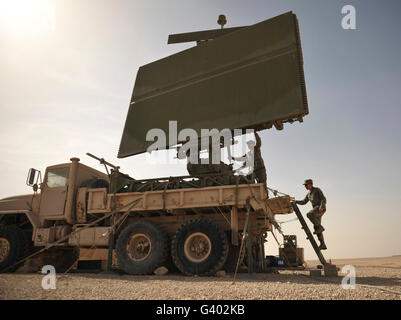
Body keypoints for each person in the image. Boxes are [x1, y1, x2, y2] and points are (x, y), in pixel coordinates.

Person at [296, 179, 327, 250]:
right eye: (305, 185)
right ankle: (323, 244)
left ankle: (320, 227)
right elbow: (304, 202)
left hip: (319, 208)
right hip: (315, 211)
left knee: (309, 214)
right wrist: (296, 202)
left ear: (310, 184)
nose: (305, 186)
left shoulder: (317, 190)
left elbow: (323, 199)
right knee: (316, 228)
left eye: (306, 185)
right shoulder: (308, 194)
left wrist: (322, 206)